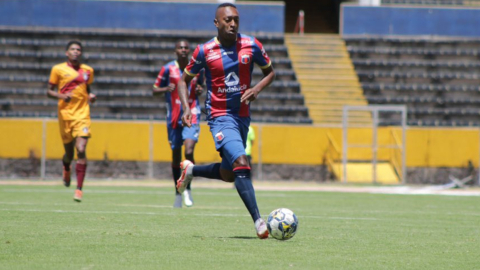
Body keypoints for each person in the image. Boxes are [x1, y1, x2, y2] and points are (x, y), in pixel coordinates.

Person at [176, 3, 275, 239]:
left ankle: (191, 170)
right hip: (220, 117)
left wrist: (256, 89)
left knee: (229, 173)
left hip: (242, 117)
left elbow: (270, 72)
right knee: (242, 162)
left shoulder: (252, 45)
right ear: (217, 23)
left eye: (236, 20)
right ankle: (259, 221)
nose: (232, 24)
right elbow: (183, 80)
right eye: (228, 20)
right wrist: (186, 108)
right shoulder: (204, 51)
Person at [153, 39, 204, 208]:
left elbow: (201, 86)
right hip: (174, 116)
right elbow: (154, 90)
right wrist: (165, 89)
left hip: (192, 113)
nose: (183, 50)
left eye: (186, 47)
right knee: (176, 155)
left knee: (188, 151)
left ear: (189, 50)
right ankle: (178, 192)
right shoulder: (168, 68)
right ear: (175, 50)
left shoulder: (196, 68)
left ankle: (188, 188)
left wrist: (199, 90)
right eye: (180, 47)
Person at [47, 41, 96, 202]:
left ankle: (79, 189)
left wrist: (90, 96)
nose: (76, 52)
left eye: (78, 50)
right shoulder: (58, 69)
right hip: (65, 116)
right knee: (69, 154)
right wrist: (61, 96)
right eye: (73, 49)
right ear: (67, 53)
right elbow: (49, 91)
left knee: (80, 149)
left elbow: (87, 88)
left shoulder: (88, 71)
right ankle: (66, 166)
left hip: (82, 115)